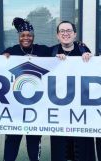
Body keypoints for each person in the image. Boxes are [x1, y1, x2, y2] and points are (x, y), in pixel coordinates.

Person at [2, 17, 52, 161]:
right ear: (19, 37)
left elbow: (60, 52)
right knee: (12, 142)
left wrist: (82, 48)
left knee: (34, 143)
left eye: (29, 35)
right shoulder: (11, 51)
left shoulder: (42, 50)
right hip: (15, 109)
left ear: (33, 37)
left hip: (35, 109)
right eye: (23, 35)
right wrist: (2, 58)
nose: (26, 38)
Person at [50, 20, 95, 161]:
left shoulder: (83, 50)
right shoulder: (51, 51)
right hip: (59, 110)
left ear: (74, 34)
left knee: (82, 150)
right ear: (57, 35)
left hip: (80, 111)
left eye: (69, 30)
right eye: (62, 31)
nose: (65, 33)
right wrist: (6, 54)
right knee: (61, 149)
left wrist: (90, 59)